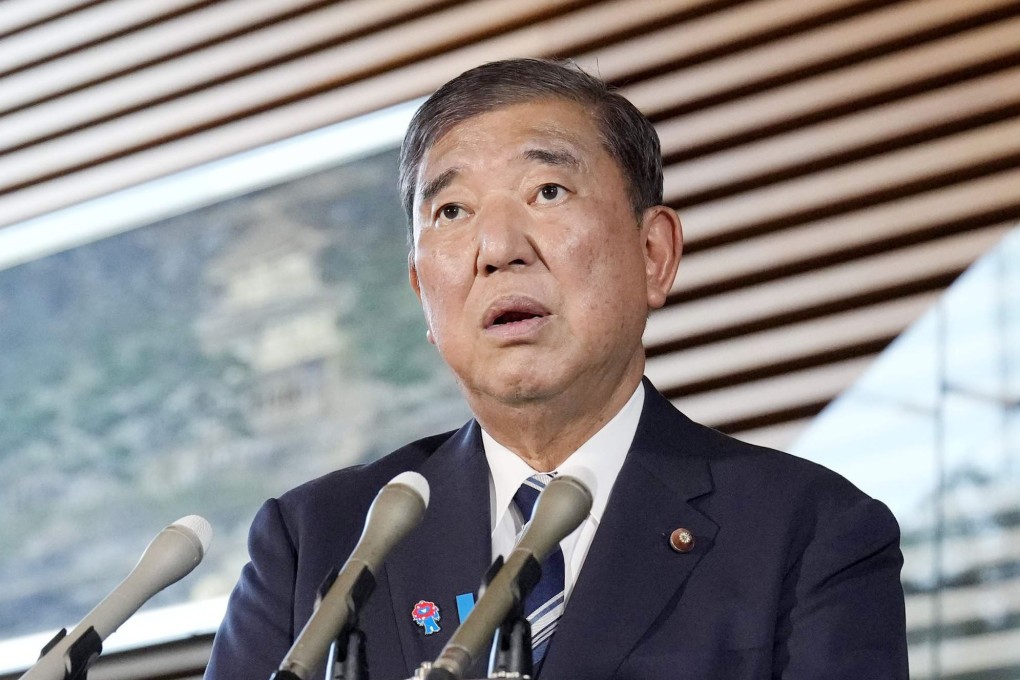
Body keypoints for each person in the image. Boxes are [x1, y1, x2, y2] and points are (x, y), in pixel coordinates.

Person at [205, 58, 908, 680]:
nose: (498, 247)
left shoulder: (809, 530)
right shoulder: (317, 542)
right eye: (452, 210)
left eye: (548, 192)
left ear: (654, 254)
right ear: (423, 290)